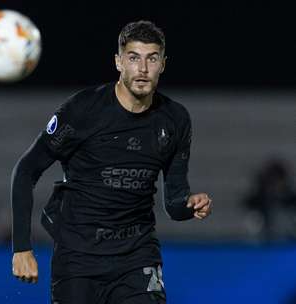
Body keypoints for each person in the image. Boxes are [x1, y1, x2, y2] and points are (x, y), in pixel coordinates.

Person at [11, 20, 212, 304]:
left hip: (136, 256)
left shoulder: (175, 120)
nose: (142, 69)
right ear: (118, 62)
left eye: (151, 59)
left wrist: (190, 205)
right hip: (78, 258)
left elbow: (174, 203)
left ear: (163, 64)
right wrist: (22, 248)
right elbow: (26, 170)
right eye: (133, 58)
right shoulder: (82, 111)